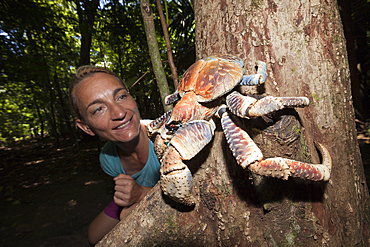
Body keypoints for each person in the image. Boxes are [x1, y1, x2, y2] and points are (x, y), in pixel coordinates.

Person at [69, 66, 161, 245]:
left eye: (121, 97)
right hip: (135, 195)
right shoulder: (108, 158)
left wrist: (142, 194)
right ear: (86, 127)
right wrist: (130, 195)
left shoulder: (166, 137)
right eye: (98, 109)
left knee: (129, 216)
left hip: (152, 195)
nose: (119, 113)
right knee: (94, 236)